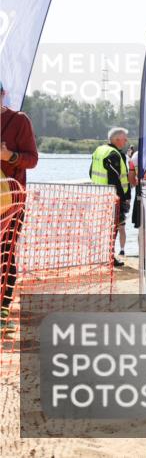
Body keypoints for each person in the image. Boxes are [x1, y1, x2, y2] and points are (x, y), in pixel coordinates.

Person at [0, 82, 38, 324]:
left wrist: (9, 156)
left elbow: (32, 159)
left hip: (10, 200)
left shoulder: (18, 121)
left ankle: (3, 309)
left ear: (2, 94)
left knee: (5, 252)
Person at [90, 127, 131, 265]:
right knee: (113, 228)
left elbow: (91, 172)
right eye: (124, 139)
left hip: (99, 195)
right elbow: (116, 179)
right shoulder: (114, 154)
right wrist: (123, 198)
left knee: (105, 227)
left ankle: (104, 256)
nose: (126, 141)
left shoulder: (99, 150)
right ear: (116, 139)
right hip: (113, 198)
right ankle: (109, 257)